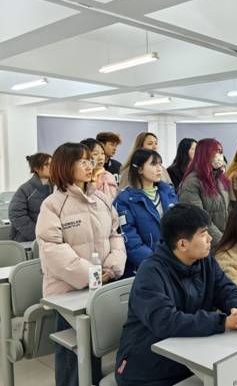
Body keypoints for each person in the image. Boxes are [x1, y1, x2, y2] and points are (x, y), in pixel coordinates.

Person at [115, 204, 237, 386]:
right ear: (182, 244)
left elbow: (228, 290)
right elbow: (166, 321)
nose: (210, 238)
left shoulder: (204, 261)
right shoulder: (151, 273)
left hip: (189, 358)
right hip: (147, 369)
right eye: (203, 233)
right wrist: (223, 322)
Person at [36, 142, 126, 386]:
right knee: (72, 358)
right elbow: (52, 249)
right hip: (68, 292)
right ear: (66, 166)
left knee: (95, 349)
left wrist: (113, 266)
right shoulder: (53, 204)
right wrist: (93, 273)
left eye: (90, 161)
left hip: (101, 285)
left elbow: (115, 235)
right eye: (83, 161)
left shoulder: (102, 199)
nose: (90, 166)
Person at [114, 149, 178, 277]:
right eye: (153, 164)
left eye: (160, 164)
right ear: (140, 169)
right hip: (146, 269)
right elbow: (131, 241)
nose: (159, 168)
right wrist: (156, 263)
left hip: (174, 262)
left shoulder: (168, 192)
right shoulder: (124, 200)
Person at [179, 138, 231, 247]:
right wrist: (222, 241)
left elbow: (229, 209)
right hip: (207, 243)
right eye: (215, 152)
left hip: (225, 241)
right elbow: (198, 217)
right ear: (204, 154)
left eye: (220, 152)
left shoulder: (221, 179)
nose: (219, 156)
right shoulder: (192, 182)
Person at [8, 153, 53, 242]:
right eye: (47, 164)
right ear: (36, 168)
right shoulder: (25, 189)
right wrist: (37, 234)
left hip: (52, 237)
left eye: (53, 164)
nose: (51, 167)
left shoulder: (57, 187)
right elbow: (15, 214)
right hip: (29, 239)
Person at [80, 138, 117, 203]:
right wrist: (94, 177)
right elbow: (85, 200)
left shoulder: (109, 177)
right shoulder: (80, 176)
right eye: (95, 154)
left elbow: (111, 203)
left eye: (102, 153)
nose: (101, 158)